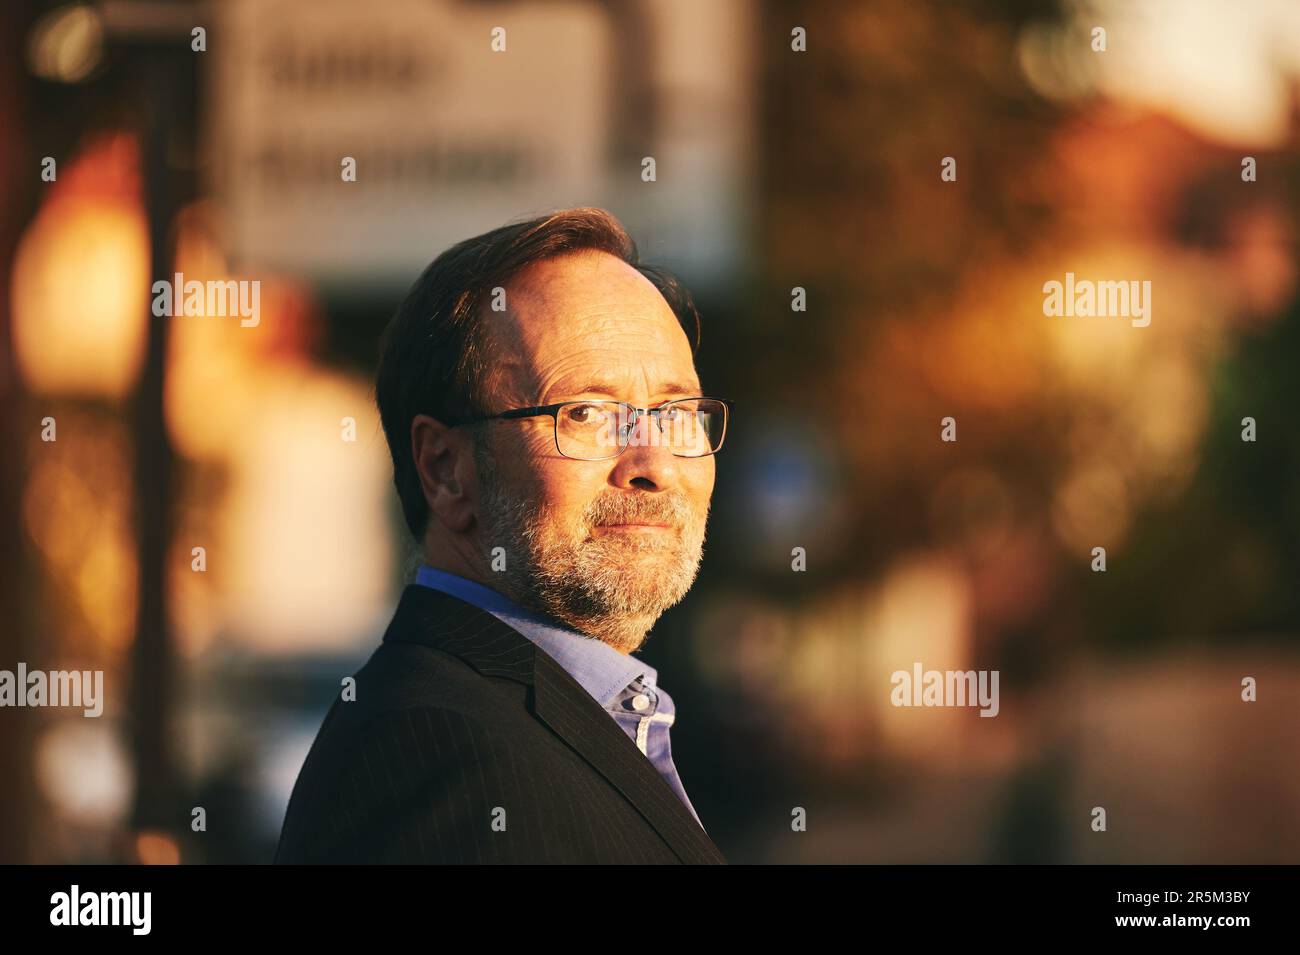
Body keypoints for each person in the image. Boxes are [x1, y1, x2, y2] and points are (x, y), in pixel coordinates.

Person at [274, 208, 730, 863]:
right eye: (587, 413)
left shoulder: (561, 722)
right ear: (446, 470)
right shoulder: (433, 756)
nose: (653, 464)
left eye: (677, 412)